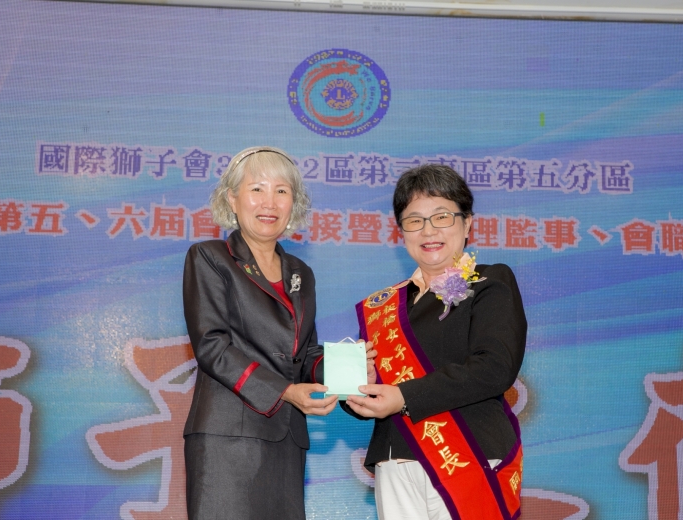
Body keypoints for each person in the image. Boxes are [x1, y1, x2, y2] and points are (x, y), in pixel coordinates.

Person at [346, 164, 527, 520]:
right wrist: (359, 385)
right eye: (415, 220)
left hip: (469, 455)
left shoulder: (490, 282)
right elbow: (373, 395)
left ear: (467, 223)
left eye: (442, 216)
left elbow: (495, 367)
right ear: (401, 232)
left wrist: (403, 397)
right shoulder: (384, 306)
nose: (428, 230)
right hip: (395, 460)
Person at [182, 146, 338, 520]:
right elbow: (212, 346)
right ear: (232, 198)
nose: (270, 202)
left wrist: (343, 368)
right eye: (257, 189)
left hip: (286, 440)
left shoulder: (300, 272)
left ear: (293, 203)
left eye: (282, 191)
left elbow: (305, 353)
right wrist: (286, 391)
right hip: (227, 439)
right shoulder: (210, 257)